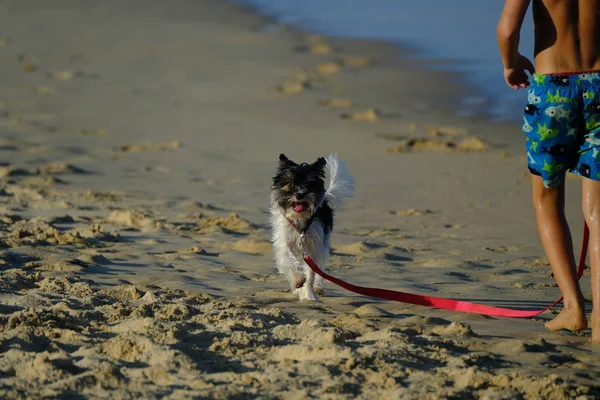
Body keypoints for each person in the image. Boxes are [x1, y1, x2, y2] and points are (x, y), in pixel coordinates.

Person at [497, 0, 600, 343]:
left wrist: (510, 64)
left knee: (547, 198)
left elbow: (508, 30)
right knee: (598, 210)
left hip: (553, 88)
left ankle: (573, 307)